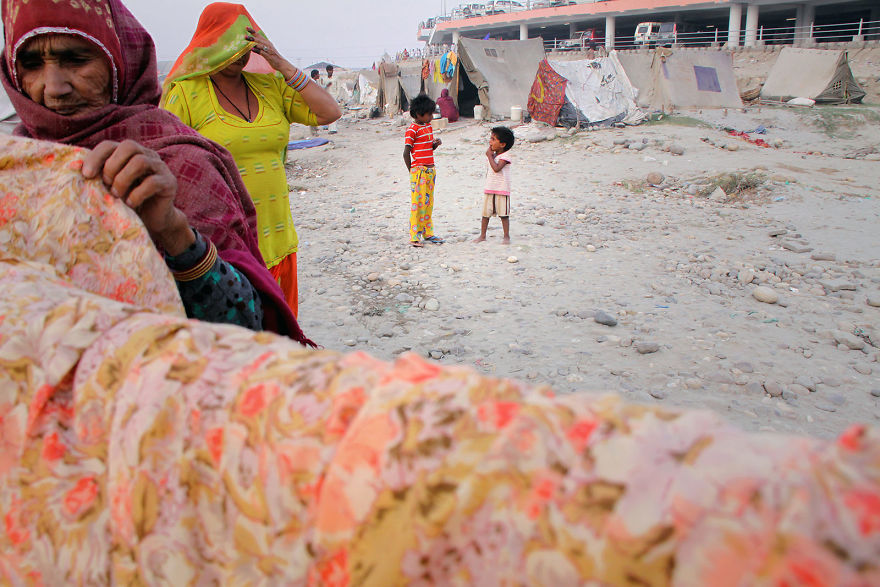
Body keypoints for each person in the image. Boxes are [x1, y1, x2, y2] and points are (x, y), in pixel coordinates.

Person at [0, 0, 311, 344]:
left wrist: (175, 233)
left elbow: (245, 330)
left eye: (76, 60)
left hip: (266, 231)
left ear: (120, 60)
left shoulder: (182, 162)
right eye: (31, 64)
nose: (53, 87)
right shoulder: (18, 166)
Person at [162, 4, 341, 319]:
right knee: (237, 340)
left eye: (246, 46)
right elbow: (168, 165)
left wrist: (282, 64)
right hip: (222, 249)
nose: (239, 55)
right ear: (210, 44)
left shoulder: (269, 87)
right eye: (230, 46)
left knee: (280, 337)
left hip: (278, 239)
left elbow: (330, 112)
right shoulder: (186, 94)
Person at [403, 94, 443, 248]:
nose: (431, 117)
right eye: (429, 114)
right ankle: (414, 236)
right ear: (419, 114)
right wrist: (412, 171)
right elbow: (406, 153)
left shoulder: (427, 127)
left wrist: (434, 145)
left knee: (428, 203)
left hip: (430, 170)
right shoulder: (412, 130)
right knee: (418, 205)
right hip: (419, 171)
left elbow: (426, 148)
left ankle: (427, 232)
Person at [474, 126, 514, 244]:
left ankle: (506, 236)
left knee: (504, 215)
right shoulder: (494, 155)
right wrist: (491, 155)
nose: (490, 142)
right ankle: (482, 235)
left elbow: (496, 169)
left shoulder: (505, 157)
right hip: (490, 188)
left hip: (502, 189)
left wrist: (489, 156)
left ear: (502, 144)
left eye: (493, 139)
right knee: (485, 214)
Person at [320, 64, 339, 134]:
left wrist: (336, 97)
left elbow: (338, 89)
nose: (331, 72)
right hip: (327, 98)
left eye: (332, 70)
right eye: (329, 70)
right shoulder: (324, 79)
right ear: (327, 71)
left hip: (334, 97)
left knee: (334, 113)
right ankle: (329, 128)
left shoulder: (335, 78)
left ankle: (334, 129)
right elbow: (322, 88)